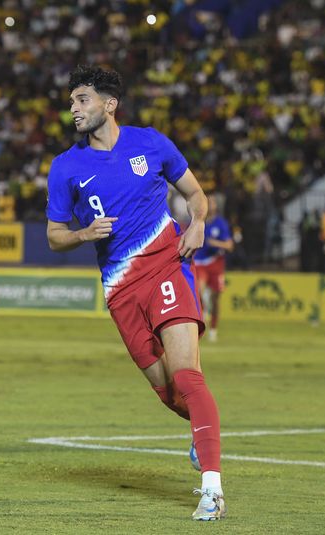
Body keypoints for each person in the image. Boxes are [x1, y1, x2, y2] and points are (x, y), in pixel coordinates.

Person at [45, 65, 226, 521]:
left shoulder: (151, 143)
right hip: (120, 291)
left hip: (167, 267)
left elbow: (196, 194)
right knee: (169, 394)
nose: (74, 109)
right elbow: (54, 235)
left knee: (187, 377)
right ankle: (202, 428)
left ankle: (212, 490)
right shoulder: (65, 167)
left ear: (109, 105)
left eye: (82, 100)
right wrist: (84, 234)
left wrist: (198, 223)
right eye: (71, 102)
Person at [194, 194, 234, 342]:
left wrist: (215, 243)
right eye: (207, 202)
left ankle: (213, 329)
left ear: (216, 206)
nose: (209, 205)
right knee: (199, 290)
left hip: (216, 263)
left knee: (216, 299)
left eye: (212, 202)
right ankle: (203, 315)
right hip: (200, 262)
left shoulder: (221, 224)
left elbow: (229, 246)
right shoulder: (198, 221)